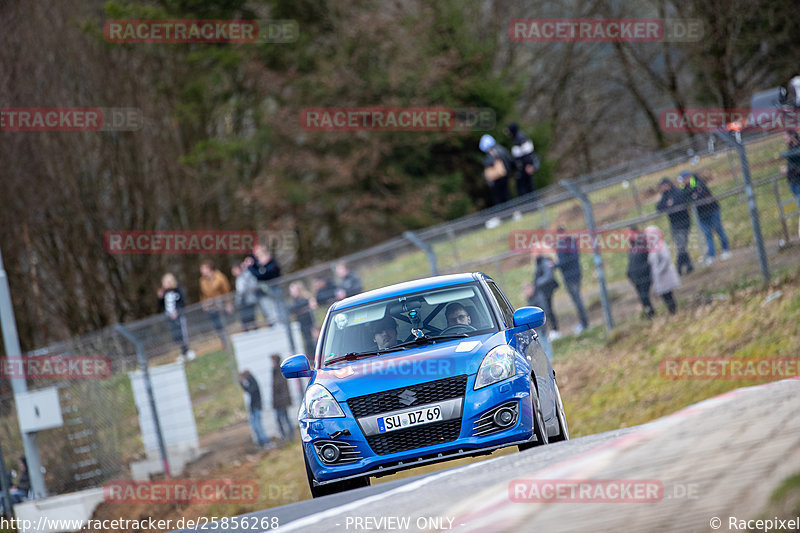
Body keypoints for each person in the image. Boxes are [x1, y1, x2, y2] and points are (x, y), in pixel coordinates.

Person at [678, 170, 730, 266]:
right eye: (682, 180)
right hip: (700, 215)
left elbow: (699, 194)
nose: (683, 182)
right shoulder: (683, 187)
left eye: (685, 179)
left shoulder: (697, 181)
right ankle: (711, 255)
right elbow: (684, 198)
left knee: (718, 229)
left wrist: (692, 196)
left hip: (712, 210)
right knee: (707, 234)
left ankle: (726, 250)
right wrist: (692, 196)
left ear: (689, 177)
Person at [656, 177, 694, 275]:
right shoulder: (665, 195)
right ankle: (689, 266)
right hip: (674, 224)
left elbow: (680, 202)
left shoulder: (677, 191)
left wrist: (670, 205)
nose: (662, 188)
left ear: (668, 185)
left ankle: (679, 267)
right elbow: (659, 207)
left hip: (683, 222)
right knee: (681, 246)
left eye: (663, 186)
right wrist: (668, 204)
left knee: (681, 245)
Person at [554, 227, 589, 333]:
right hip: (575, 274)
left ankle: (584, 323)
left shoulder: (565, 244)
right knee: (577, 299)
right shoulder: (571, 242)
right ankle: (583, 323)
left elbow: (564, 261)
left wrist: (554, 265)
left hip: (571, 276)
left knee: (577, 300)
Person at [157, 273, 194, 361]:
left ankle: (187, 351)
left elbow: (182, 302)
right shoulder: (164, 293)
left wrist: (178, 312)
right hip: (170, 318)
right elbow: (161, 306)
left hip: (179, 317)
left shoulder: (178, 290)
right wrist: (159, 298)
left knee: (182, 334)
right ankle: (183, 352)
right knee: (176, 336)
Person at [646, 226, 679, 314]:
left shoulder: (660, 245)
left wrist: (659, 270)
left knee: (668, 295)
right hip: (660, 277)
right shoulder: (652, 247)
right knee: (665, 296)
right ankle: (672, 312)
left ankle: (673, 312)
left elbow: (666, 259)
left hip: (665, 275)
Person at [245, 245, 281, 325]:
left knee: (277, 308)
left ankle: (280, 323)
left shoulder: (271, 263)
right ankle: (275, 324)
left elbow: (261, 275)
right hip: (264, 292)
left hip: (274, 288)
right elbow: (256, 266)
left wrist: (250, 268)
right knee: (269, 310)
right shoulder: (259, 264)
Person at [239, 370, 273, 449]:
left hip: (256, 407)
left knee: (258, 426)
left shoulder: (252, 382)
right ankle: (261, 442)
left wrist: (242, 383)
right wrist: (241, 384)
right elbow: (248, 390)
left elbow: (250, 391)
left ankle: (265, 442)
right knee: (255, 426)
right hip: (254, 407)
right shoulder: (252, 381)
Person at [199, 260, 233, 338]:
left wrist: (228, 304)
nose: (202, 271)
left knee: (225, 323)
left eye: (203, 269)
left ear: (209, 268)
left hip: (222, 305)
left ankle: (229, 339)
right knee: (217, 326)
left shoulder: (220, 277)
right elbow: (203, 294)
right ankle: (223, 341)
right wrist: (204, 304)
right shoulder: (202, 281)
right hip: (211, 307)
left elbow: (226, 291)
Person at [626, 228, 654, 319]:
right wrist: (629, 273)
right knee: (642, 297)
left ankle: (651, 313)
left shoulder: (643, 244)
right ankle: (648, 312)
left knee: (644, 296)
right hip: (635, 276)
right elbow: (631, 262)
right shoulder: (632, 247)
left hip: (643, 275)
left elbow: (648, 259)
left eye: (629, 234)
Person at [532, 251, 561, 340]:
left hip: (547, 290)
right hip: (543, 290)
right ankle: (553, 330)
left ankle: (555, 330)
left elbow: (548, 276)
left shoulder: (544, 261)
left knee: (549, 310)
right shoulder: (539, 262)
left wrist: (538, 283)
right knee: (547, 309)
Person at [479, 134, 514, 206]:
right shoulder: (502, 149)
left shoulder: (490, 154)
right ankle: (512, 211)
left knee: (498, 197)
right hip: (505, 175)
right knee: (507, 194)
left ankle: (501, 215)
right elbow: (510, 160)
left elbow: (487, 165)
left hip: (497, 178)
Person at [506, 123, 537, 197]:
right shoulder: (517, 137)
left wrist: (529, 164)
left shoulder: (521, 138)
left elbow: (527, 152)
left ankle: (531, 203)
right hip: (522, 166)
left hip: (525, 166)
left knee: (527, 185)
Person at [287, 281, 317, 355]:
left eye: (294, 291)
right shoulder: (294, 302)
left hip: (311, 325)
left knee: (314, 343)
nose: (292, 293)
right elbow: (291, 309)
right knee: (307, 345)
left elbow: (311, 308)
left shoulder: (306, 298)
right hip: (302, 327)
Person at [780, 130, 800, 237]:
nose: (784, 137)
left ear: (792, 136)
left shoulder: (797, 147)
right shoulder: (791, 148)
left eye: (785, 135)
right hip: (794, 183)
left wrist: (788, 170)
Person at [271, 354, 293, 441]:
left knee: (283, 419)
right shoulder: (275, 372)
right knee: (282, 419)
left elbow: (280, 388)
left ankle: (287, 436)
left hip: (281, 401)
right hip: (279, 401)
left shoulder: (279, 372)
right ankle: (286, 436)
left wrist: (280, 400)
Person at [231, 263, 259, 331]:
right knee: (244, 319)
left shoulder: (246, 275)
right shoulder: (238, 279)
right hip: (242, 301)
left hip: (249, 299)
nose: (234, 272)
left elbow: (253, 285)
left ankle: (255, 331)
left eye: (235, 270)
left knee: (251, 317)